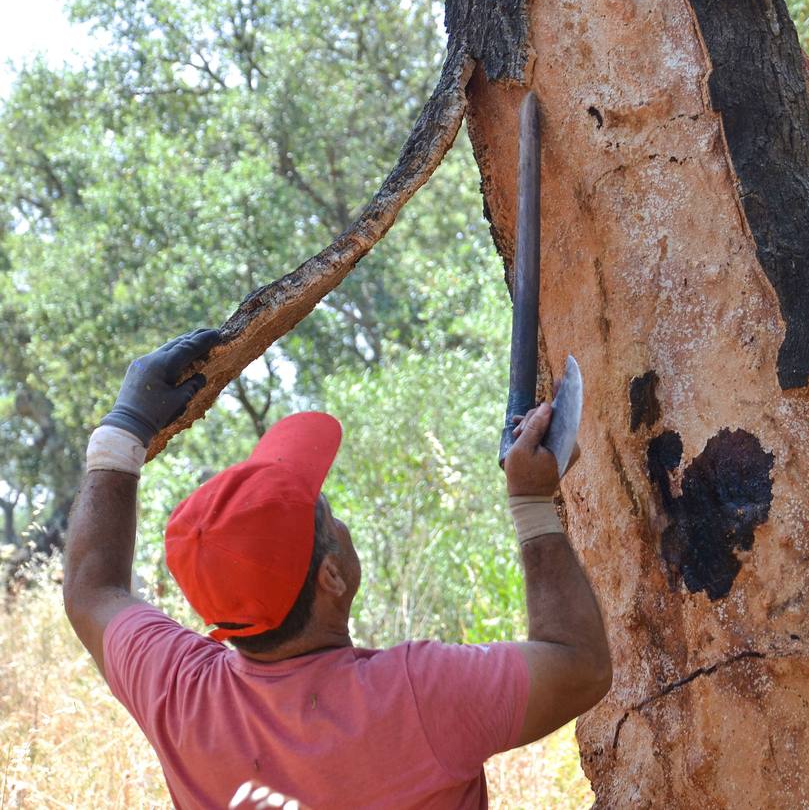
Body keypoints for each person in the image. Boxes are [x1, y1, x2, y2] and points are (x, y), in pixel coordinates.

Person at [62, 329, 611, 809]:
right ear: (331, 577)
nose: (338, 517)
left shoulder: (181, 696)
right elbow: (578, 666)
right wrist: (532, 504)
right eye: (327, 512)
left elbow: (91, 589)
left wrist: (124, 427)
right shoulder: (419, 697)